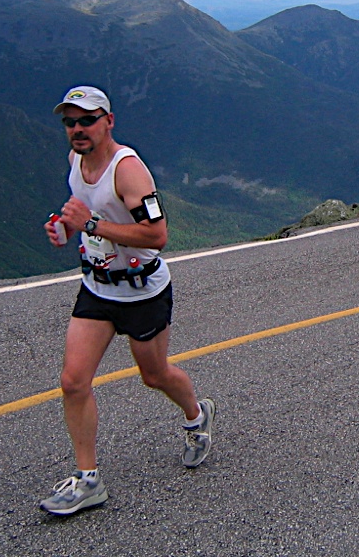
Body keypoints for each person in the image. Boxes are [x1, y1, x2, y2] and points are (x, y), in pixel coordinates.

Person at [40, 86, 216, 516]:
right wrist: (67, 229)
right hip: (97, 288)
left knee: (154, 376)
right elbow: (85, 213)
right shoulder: (76, 162)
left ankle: (196, 416)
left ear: (109, 121)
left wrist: (93, 224)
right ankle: (88, 481)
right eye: (70, 122)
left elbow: (157, 236)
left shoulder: (130, 170)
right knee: (73, 381)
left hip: (143, 292)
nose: (78, 129)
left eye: (87, 120)